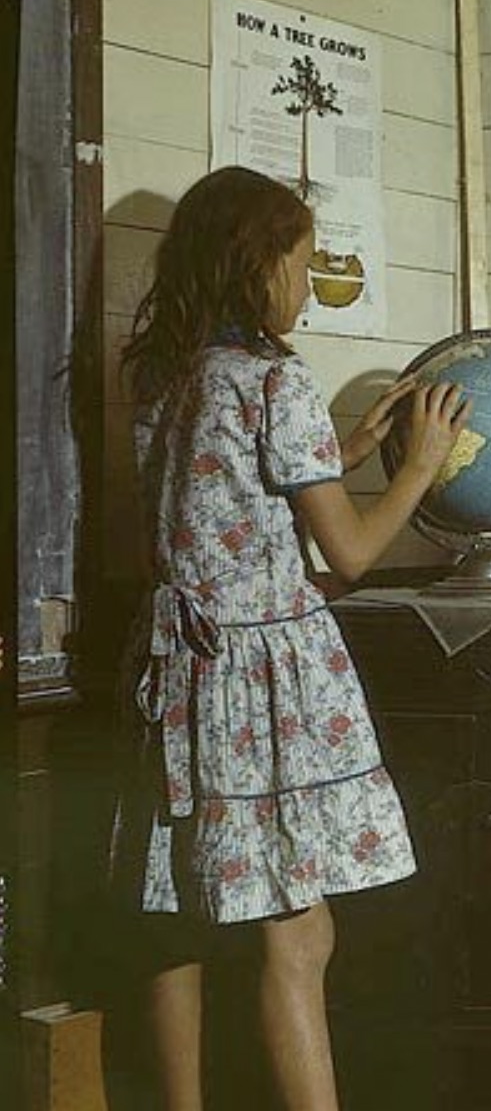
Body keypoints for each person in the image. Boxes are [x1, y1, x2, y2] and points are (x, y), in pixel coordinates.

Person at [117, 165, 470, 1111]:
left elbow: (217, 496)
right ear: (256, 265)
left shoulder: (167, 370)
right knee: (299, 935)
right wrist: (418, 465)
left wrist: (340, 451)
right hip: (265, 683)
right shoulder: (275, 379)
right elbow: (349, 554)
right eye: (303, 264)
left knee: (179, 908)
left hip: (181, 671)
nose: (309, 286)